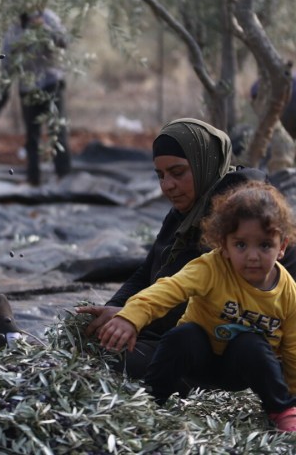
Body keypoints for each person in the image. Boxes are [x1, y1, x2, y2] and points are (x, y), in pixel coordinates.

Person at [0, 118, 296, 361]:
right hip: (173, 326)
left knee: (126, 358)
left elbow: (193, 296)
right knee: (103, 337)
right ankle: (21, 348)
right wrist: (116, 308)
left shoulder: (238, 213)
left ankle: (23, 354)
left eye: (177, 172)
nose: (168, 185)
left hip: (223, 343)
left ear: (204, 162)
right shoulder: (184, 213)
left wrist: (131, 318)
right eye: (160, 175)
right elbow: (148, 270)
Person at [98, 182, 296, 432]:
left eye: (265, 245)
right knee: (183, 335)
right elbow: (167, 289)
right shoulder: (211, 268)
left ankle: (281, 410)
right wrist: (130, 317)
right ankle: (151, 398)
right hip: (198, 361)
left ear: (282, 247)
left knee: (252, 344)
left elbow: (292, 349)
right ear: (224, 245)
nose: (253, 256)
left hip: (241, 370)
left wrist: (293, 397)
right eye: (241, 245)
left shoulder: (288, 293)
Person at [0, 9, 71, 186]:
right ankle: (33, 178)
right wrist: (2, 94)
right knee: (32, 136)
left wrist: (44, 28)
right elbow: (7, 62)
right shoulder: (14, 30)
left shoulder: (48, 17)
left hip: (52, 83)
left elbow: (64, 41)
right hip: (28, 88)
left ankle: (64, 177)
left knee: (58, 130)